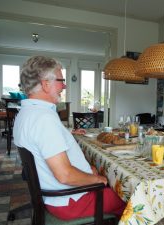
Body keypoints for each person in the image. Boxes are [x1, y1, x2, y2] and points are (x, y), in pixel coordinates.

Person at [13, 56, 126, 221]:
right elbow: (65, 175)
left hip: (56, 196)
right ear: (45, 84)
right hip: (71, 200)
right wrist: (96, 179)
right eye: (61, 80)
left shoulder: (25, 113)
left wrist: (87, 170)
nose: (64, 85)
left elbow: (43, 142)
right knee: (131, 200)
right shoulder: (44, 119)